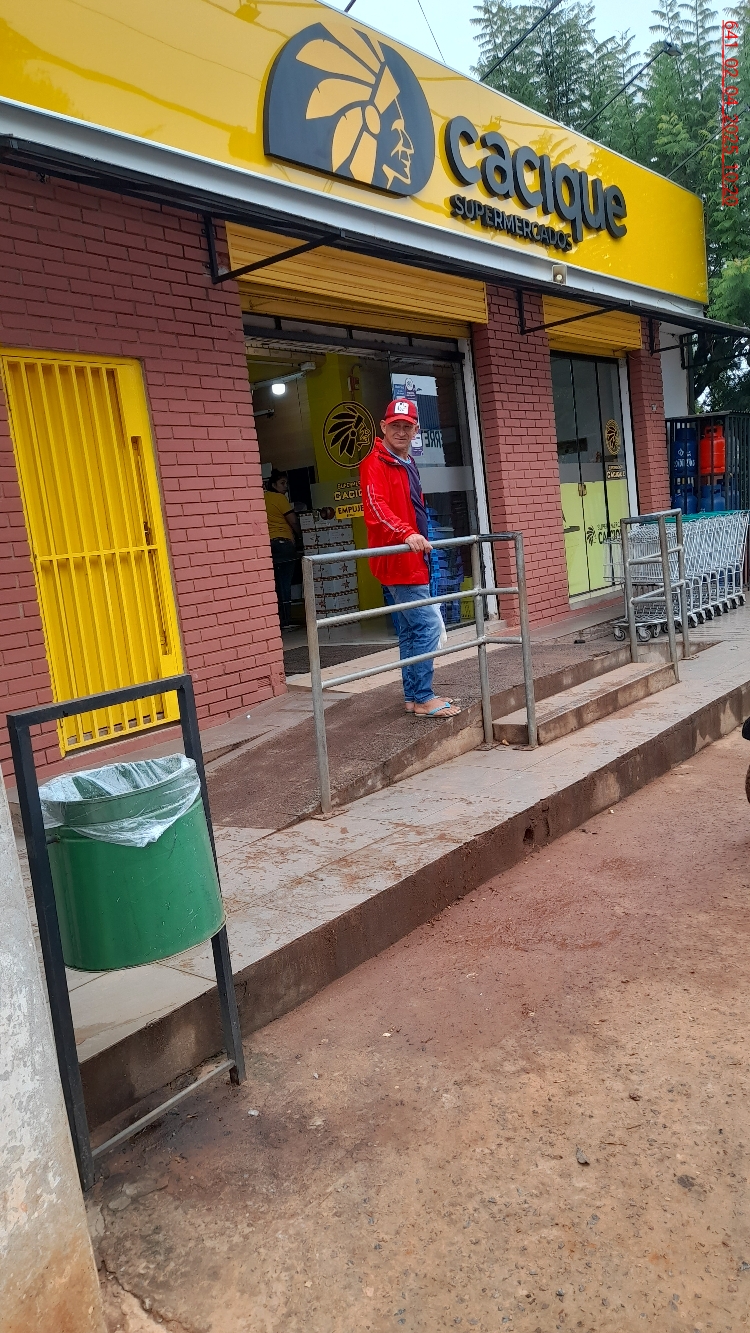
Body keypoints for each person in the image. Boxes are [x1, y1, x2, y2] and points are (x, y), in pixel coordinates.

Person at [360, 399, 460, 718]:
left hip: (413, 558)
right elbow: (376, 507)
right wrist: (406, 533)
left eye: (407, 426)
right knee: (427, 626)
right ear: (383, 426)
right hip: (399, 559)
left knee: (410, 630)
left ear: (416, 430)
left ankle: (413, 697)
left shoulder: (406, 461)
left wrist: (414, 536)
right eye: (395, 426)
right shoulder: (375, 462)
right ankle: (424, 697)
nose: (401, 432)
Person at [264, 469, 300, 630]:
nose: (285, 486)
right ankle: (286, 620)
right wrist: (300, 535)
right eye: (282, 483)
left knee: (276, 584)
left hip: (269, 546)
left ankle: (278, 620)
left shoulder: (263, 498)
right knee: (285, 583)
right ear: (273, 485)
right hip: (284, 544)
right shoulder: (280, 498)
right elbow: (293, 521)